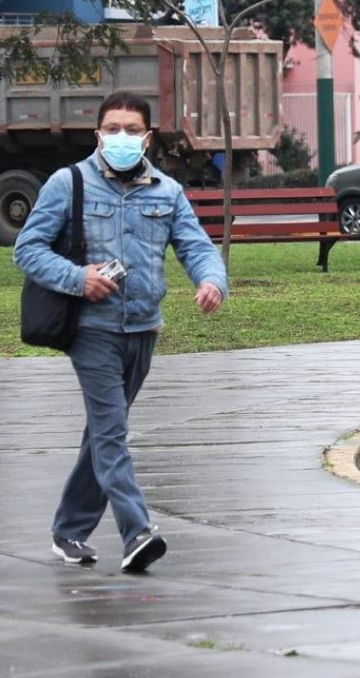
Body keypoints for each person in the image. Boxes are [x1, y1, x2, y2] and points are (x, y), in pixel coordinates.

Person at [14, 91, 227, 573]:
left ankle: (69, 531)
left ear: (148, 138)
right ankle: (137, 533)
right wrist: (77, 278)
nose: (122, 137)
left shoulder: (167, 192)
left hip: (144, 329)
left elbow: (197, 247)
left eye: (132, 130)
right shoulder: (68, 184)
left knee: (102, 434)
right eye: (113, 128)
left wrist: (212, 281)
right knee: (113, 431)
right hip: (92, 329)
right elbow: (27, 249)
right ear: (98, 134)